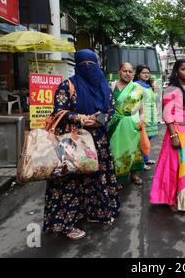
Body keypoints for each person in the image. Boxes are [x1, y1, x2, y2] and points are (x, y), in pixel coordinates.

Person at [43, 49, 120, 240]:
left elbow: (111, 109)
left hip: (98, 142)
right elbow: (59, 112)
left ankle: (95, 212)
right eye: (83, 64)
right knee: (69, 181)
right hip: (72, 141)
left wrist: (99, 119)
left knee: (95, 176)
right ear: (77, 66)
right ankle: (66, 224)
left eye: (91, 64)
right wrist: (79, 118)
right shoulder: (66, 86)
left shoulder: (104, 87)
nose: (88, 68)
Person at [150, 59, 185, 212]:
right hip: (177, 131)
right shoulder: (170, 90)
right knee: (174, 165)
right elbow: (167, 114)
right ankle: (171, 198)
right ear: (176, 72)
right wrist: (173, 136)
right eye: (183, 69)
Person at [107, 62, 145, 185]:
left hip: (132, 123)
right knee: (117, 151)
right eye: (125, 71)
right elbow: (107, 105)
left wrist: (141, 120)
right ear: (119, 71)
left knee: (133, 149)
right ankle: (120, 178)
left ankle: (134, 174)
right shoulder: (112, 86)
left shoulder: (137, 88)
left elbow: (141, 107)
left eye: (130, 71)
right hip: (115, 123)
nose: (128, 74)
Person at [134, 65, 159, 171]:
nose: (146, 75)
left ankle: (146, 158)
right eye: (144, 73)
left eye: (148, 73)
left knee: (148, 138)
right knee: (142, 140)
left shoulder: (148, 86)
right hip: (143, 116)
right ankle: (140, 162)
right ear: (138, 74)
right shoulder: (136, 85)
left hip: (152, 115)